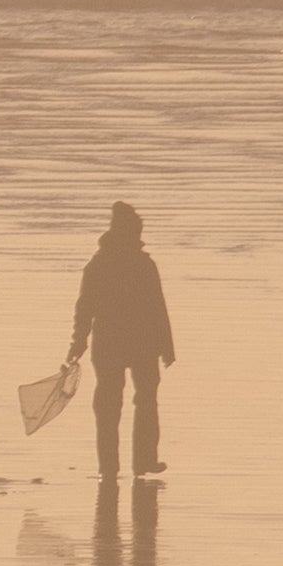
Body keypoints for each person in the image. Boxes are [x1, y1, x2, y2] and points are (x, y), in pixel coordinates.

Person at [68, 199, 174, 476]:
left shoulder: (101, 264)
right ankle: (138, 463)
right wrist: (166, 346)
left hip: (115, 344)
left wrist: (78, 343)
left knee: (112, 405)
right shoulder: (138, 264)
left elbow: (84, 308)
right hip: (136, 344)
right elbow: (157, 308)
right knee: (137, 401)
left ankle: (114, 467)